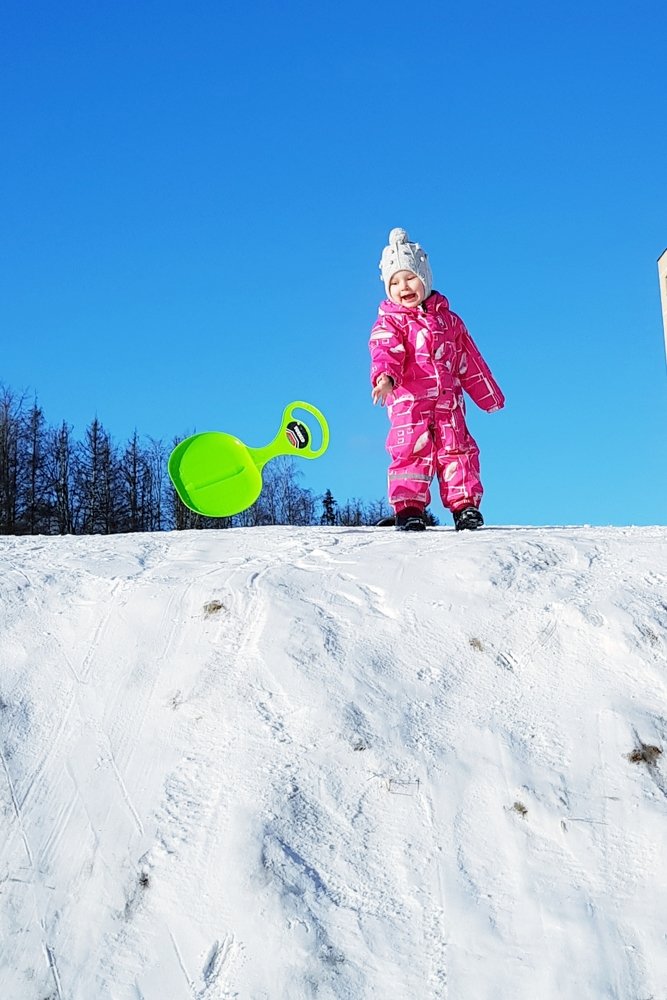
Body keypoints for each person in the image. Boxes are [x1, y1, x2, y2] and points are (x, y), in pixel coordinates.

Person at [369, 228, 504, 531]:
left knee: (457, 449)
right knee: (409, 452)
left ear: (425, 277)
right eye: (394, 282)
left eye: (410, 278)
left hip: (448, 403)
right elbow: (385, 350)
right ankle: (409, 507)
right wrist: (385, 377)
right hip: (409, 403)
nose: (403, 286)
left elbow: (470, 359)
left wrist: (489, 396)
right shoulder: (390, 321)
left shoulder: (449, 321)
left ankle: (465, 506)